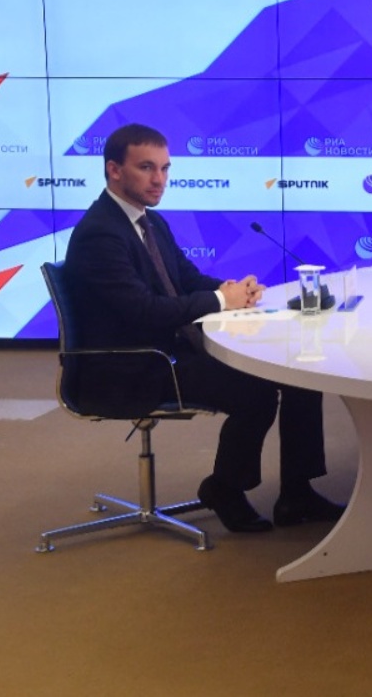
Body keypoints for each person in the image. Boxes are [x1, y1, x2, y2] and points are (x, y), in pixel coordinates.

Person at [63, 123, 343, 534]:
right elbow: (143, 311)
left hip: (167, 350)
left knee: (298, 373)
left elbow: (187, 279)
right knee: (256, 391)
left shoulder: (150, 222)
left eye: (164, 168)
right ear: (114, 170)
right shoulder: (100, 234)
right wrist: (220, 301)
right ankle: (224, 488)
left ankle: (297, 494)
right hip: (131, 366)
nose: (159, 179)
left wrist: (233, 290)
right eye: (146, 168)